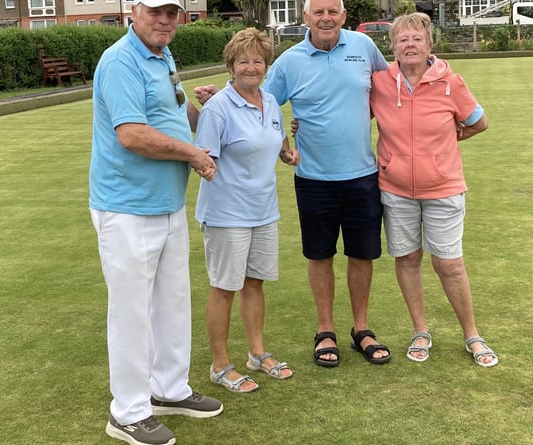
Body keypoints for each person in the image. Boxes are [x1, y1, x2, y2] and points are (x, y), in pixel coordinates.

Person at [197, 0, 391, 367]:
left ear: (344, 16)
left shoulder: (364, 48)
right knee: (320, 255)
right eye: (317, 12)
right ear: (305, 18)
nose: (326, 18)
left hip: (363, 173)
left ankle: (362, 329)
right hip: (314, 178)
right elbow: (256, 97)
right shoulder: (288, 61)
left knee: (362, 254)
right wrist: (215, 99)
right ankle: (325, 331)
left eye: (332, 11)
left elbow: (388, 89)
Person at [89, 0, 223, 443]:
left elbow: (174, 111)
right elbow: (131, 134)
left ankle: (169, 389)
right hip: (127, 206)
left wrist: (208, 118)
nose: (165, 21)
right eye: (156, 12)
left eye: (173, 13)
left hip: (167, 202)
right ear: (135, 11)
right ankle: (127, 411)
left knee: (172, 301)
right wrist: (193, 154)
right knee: (130, 312)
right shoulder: (120, 60)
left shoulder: (162, 55)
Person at [369, 13, 498, 367]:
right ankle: (420, 330)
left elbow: (478, 122)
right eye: (402, 40)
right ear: (392, 46)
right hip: (395, 189)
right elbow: (347, 113)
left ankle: (472, 334)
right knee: (408, 259)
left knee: (449, 264)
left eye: (416, 39)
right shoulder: (379, 82)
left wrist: (450, 140)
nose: (409, 45)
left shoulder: (450, 82)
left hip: (444, 188)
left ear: (429, 45)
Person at [194, 28, 300, 393]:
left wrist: (287, 152)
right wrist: (204, 166)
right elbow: (204, 157)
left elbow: (275, 135)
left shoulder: (270, 101)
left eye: (258, 60)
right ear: (231, 65)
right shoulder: (218, 107)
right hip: (226, 215)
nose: (251, 67)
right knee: (225, 287)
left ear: (266, 66)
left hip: (264, 211)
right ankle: (220, 365)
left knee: (255, 285)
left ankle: (257, 353)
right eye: (244, 61)